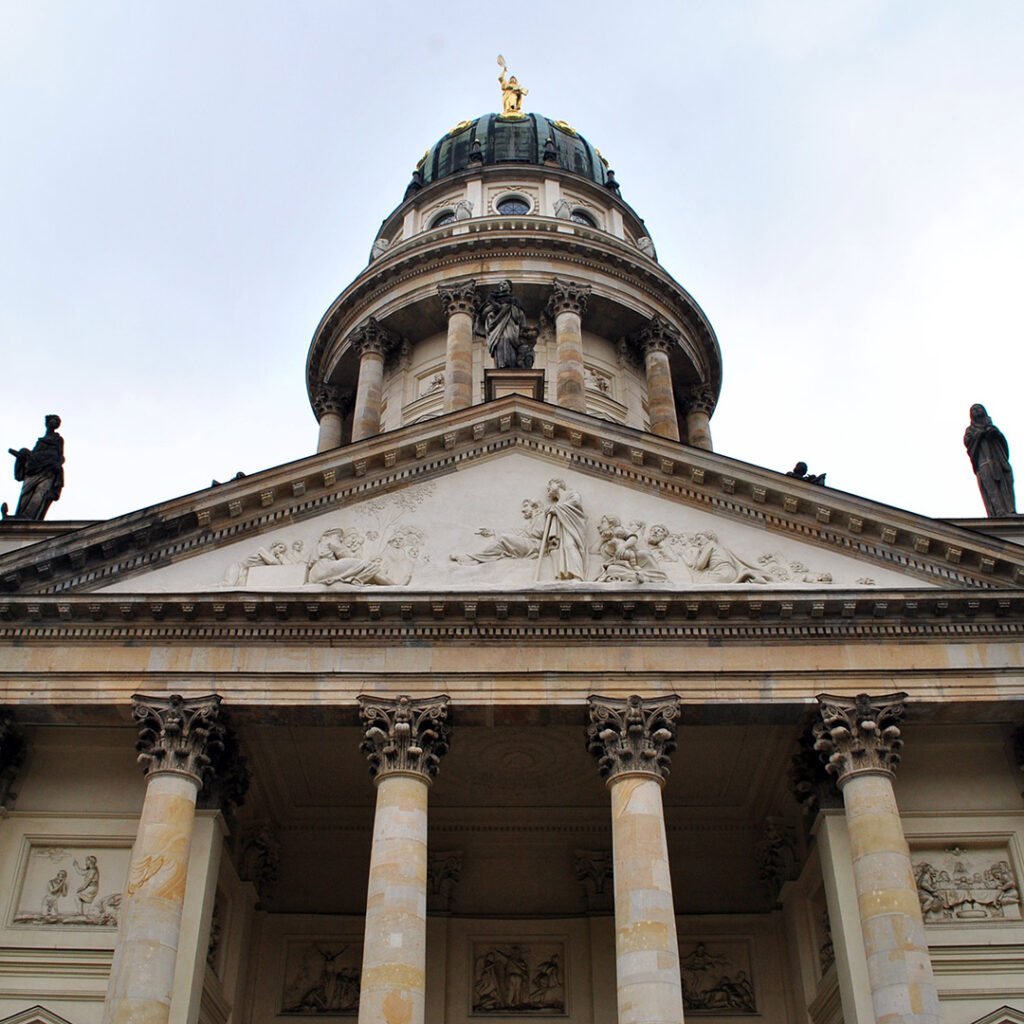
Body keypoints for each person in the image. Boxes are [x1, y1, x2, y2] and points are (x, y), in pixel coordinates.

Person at [6, 414, 64, 520]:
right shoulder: (41, 441)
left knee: (41, 493)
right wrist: (24, 455)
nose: (56, 422)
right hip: (34, 469)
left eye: (58, 421)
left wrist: (56, 465)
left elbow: (60, 456)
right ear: (47, 423)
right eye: (54, 420)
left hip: (48, 470)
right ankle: (21, 516)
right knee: (26, 494)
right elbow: (35, 453)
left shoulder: (58, 439)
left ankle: (29, 516)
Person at [452, 499, 545, 564]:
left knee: (503, 538)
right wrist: (493, 531)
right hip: (529, 543)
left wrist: (525, 533)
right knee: (499, 545)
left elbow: (539, 533)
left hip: (535, 546)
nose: (522, 510)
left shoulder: (541, 516)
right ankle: (477, 559)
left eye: (525, 506)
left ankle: (473, 558)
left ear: (534, 506)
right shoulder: (532, 521)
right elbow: (518, 532)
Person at [964, 404, 1017, 517]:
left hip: (1000, 461)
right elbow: (969, 443)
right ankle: (998, 511)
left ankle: (1010, 510)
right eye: (974, 410)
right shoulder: (971, 430)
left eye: (979, 408)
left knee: (1006, 483)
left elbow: (1002, 442)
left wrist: (993, 432)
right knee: (990, 485)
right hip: (984, 463)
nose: (977, 411)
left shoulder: (991, 426)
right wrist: (981, 434)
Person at [539, 479, 587, 580]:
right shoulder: (559, 503)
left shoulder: (571, 493)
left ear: (558, 484)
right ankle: (563, 576)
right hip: (561, 529)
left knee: (570, 546)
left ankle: (578, 576)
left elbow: (576, 502)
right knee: (559, 549)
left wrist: (556, 508)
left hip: (571, 526)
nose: (548, 489)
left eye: (550, 485)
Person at [477, 280, 528, 369]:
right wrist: (495, 309)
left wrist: (510, 309)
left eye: (504, 284)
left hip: (510, 327)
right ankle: (501, 365)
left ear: (510, 287)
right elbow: (486, 312)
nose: (502, 286)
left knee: (508, 342)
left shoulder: (514, 300)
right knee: (500, 343)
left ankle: (510, 364)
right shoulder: (493, 298)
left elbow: (520, 315)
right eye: (500, 284)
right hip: (497, 329)